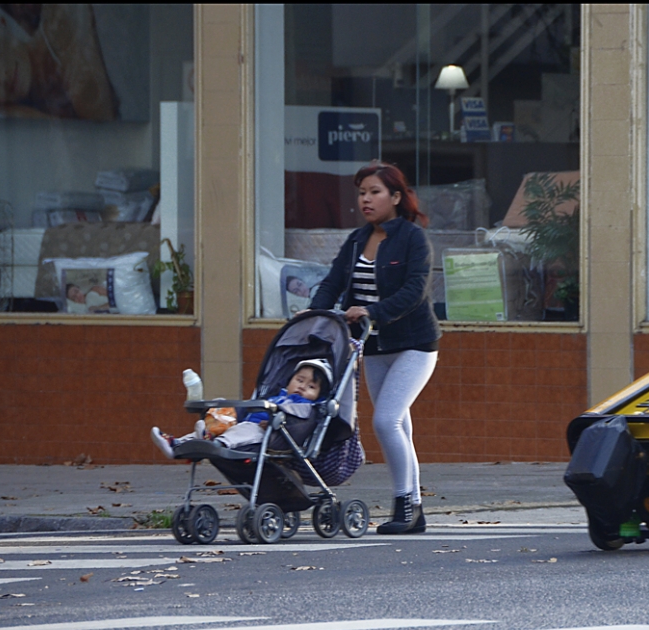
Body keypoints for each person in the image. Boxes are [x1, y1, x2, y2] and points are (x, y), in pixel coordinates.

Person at [308, 160, 441, 535]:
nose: (366, 200)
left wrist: (371, 310)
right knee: (400, 426)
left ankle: (406, 504)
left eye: (375, 192)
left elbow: (415, 292)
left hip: (415, 345)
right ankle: (413, 510)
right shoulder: (355, 241)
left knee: (385, 420)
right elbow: (332, 282)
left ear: (396, 197)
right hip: (375, 345)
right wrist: (316, 312)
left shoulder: (413, 238)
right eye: (362, 193)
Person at [0, 4, 119, 120]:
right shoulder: (27, 113)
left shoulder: (62, 29)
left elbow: (102, 140)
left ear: (1, 21)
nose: (2, 76)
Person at [151, 359, 332, 460]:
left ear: (319, 396)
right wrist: (227, 410)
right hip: (246, 423)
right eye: (300, 380)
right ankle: (178, 445)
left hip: (268, 435)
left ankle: (214, 442)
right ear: (290, 380)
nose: (302, 387)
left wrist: (273, 423)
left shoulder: (306, 408)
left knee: (244, 429)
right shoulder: (276, 396)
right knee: (222, 407)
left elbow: (296, 425)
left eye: (311, 386)